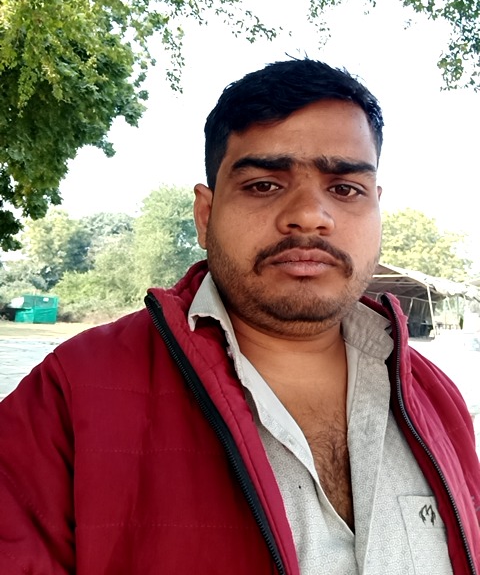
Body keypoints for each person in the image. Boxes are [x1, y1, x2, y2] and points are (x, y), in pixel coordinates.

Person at [0, 58, 479, 575]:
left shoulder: (437, 400)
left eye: (345, 188)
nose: (309, 215)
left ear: (376, 207)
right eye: (264, 185)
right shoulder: (74, 394)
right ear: (205, 215)